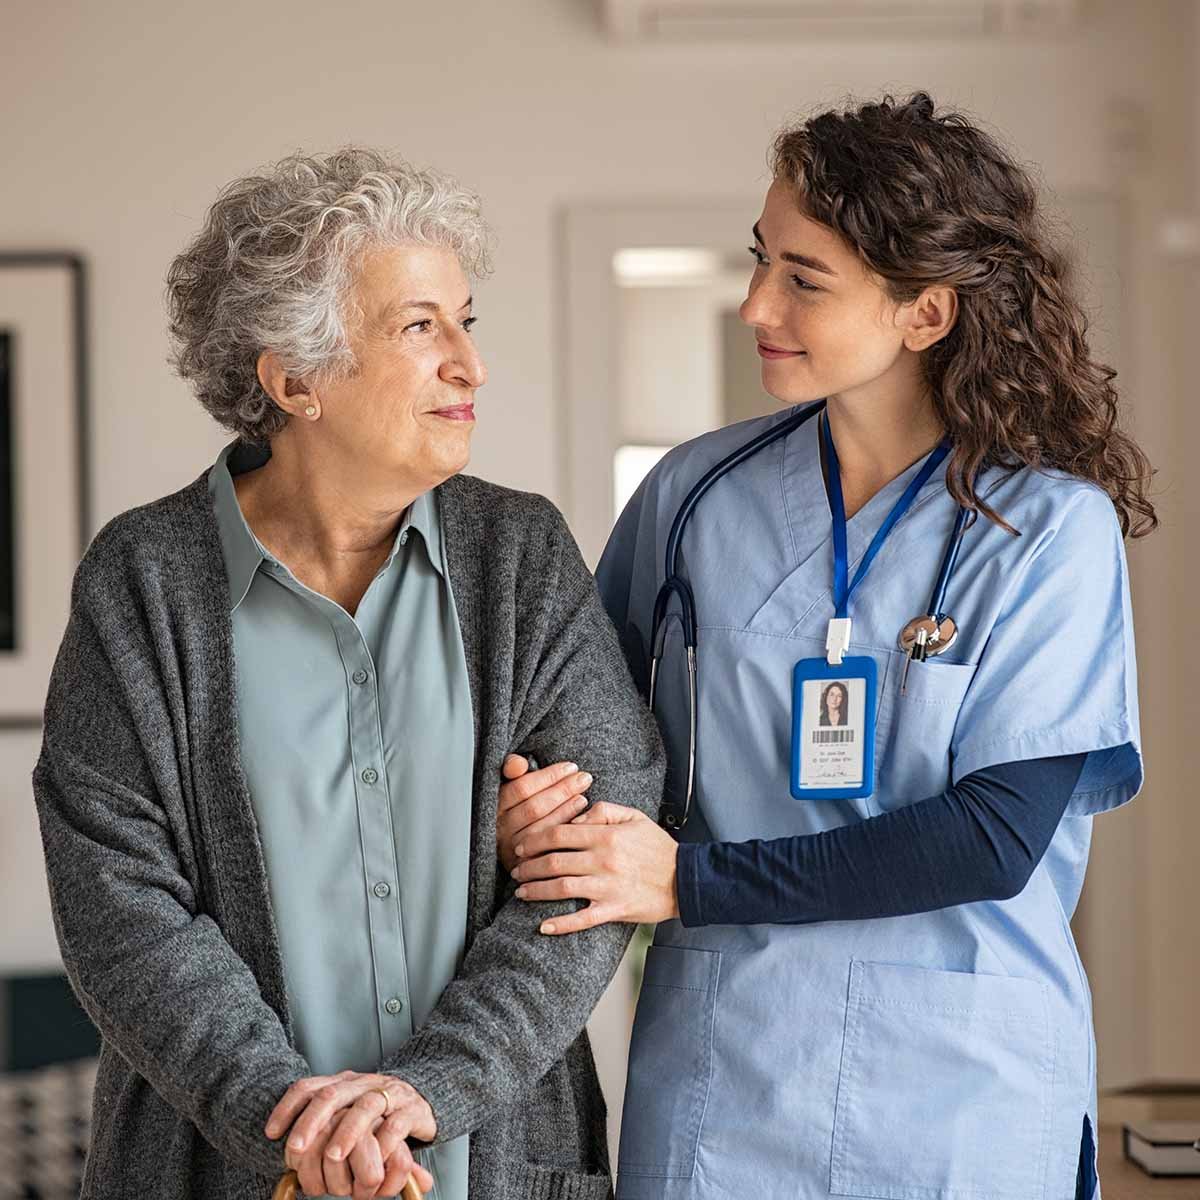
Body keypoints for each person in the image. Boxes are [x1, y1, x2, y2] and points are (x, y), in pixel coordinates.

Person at [497, 94, 1153, 1200]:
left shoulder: (1046, 530)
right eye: (762, 261)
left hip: (962, 1091)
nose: (755, 302)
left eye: (805, 279)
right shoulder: (692, 497)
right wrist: (543, 805)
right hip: (728, 1080)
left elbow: (994, 838)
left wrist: (688, 883)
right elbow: (587, 735)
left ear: (925, 313)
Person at [32, 149, 663, 1200]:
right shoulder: (141, 583)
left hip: (495, 1166)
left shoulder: (521, 556)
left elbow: (597, 862)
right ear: (293, 379)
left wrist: (429, 1092)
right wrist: (299, 1127)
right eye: (420, 327)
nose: (471, 364)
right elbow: (121, 910)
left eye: (467, 320)